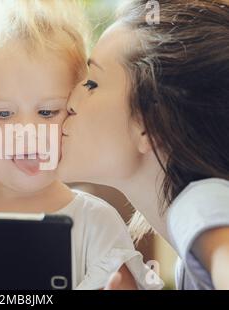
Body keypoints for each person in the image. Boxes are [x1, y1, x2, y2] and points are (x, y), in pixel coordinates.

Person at [0, 0, 162, 290]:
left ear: (75, 109)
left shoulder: (97, 225)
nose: (27, 133)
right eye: (3, 114)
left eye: (48, 112)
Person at [59, 0, 229, 289]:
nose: (69, 101)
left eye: (91, 84)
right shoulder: (188, 266)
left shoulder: (200, 202)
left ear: (150, 124)